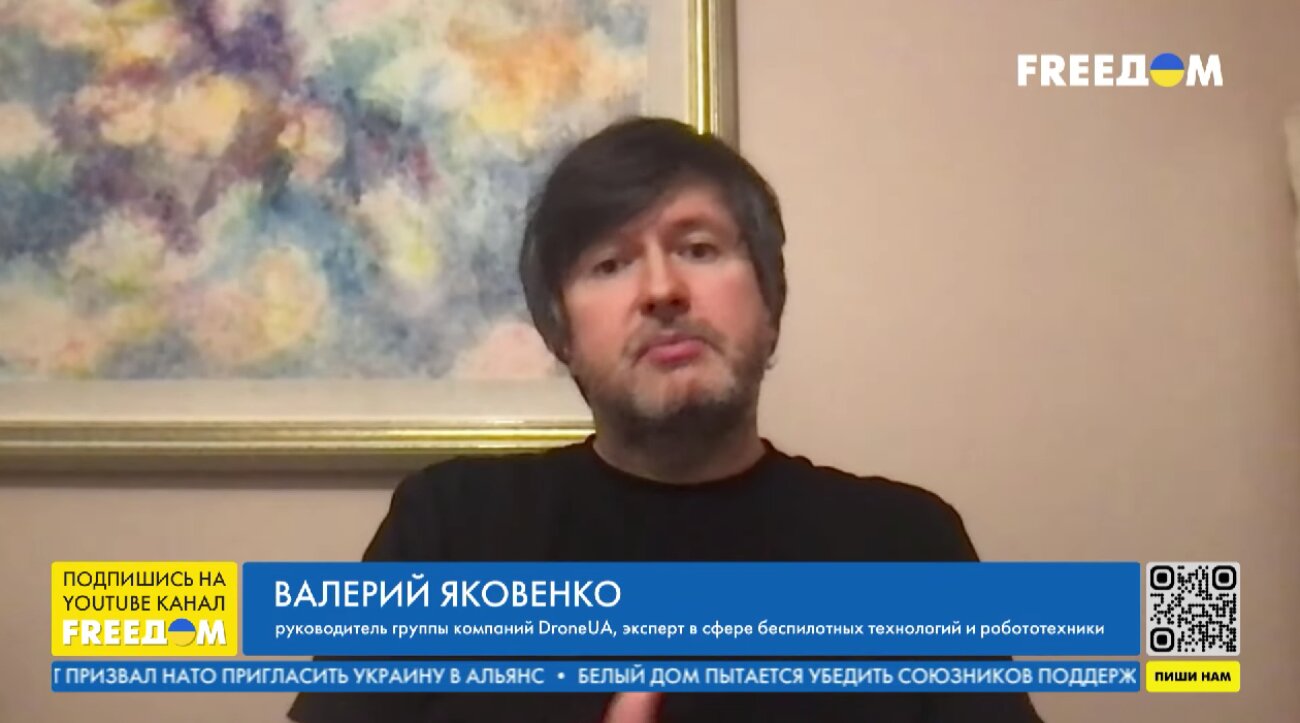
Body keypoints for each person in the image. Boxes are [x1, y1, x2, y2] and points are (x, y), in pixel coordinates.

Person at [288, 116, 1045, 722]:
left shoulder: (905, 548)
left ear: (770, 305)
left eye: (699, 248)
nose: (661, 290)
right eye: (610, 264)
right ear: (562, 334)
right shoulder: (448, 528)